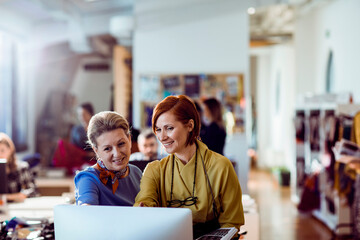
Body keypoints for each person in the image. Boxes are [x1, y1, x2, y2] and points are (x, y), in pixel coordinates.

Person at [134, 95, 244, 238]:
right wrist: (142, 210)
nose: (162, 137)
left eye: (169, 128)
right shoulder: (154, 170)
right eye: (158, 129)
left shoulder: (221, 166)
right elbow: (145, 202)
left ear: (190, 126)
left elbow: (231, 222)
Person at [74, 111, 142, 206]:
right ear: (96, 151)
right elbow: (86, 213)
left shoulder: (136, 172)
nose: (117, 154)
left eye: (121, 144)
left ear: (129, 140)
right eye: (107, 148)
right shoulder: (88, 178)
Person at [52, 102, 96, 175]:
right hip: (80, 156)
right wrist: (84, 154)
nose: (82, 117)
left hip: (93, 157)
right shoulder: (76, 130)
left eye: (84, 114)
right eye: (80, 115)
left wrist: (92, 154)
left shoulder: (98, 128)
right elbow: (73, 148)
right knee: (61, 143)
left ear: (90, 114)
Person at [0, 132, 38, 202]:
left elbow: (33, 191)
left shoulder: (22, 168)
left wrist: (8, 197)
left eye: (2, 150)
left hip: (17, 208)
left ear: (10, 150)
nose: (0, 154)